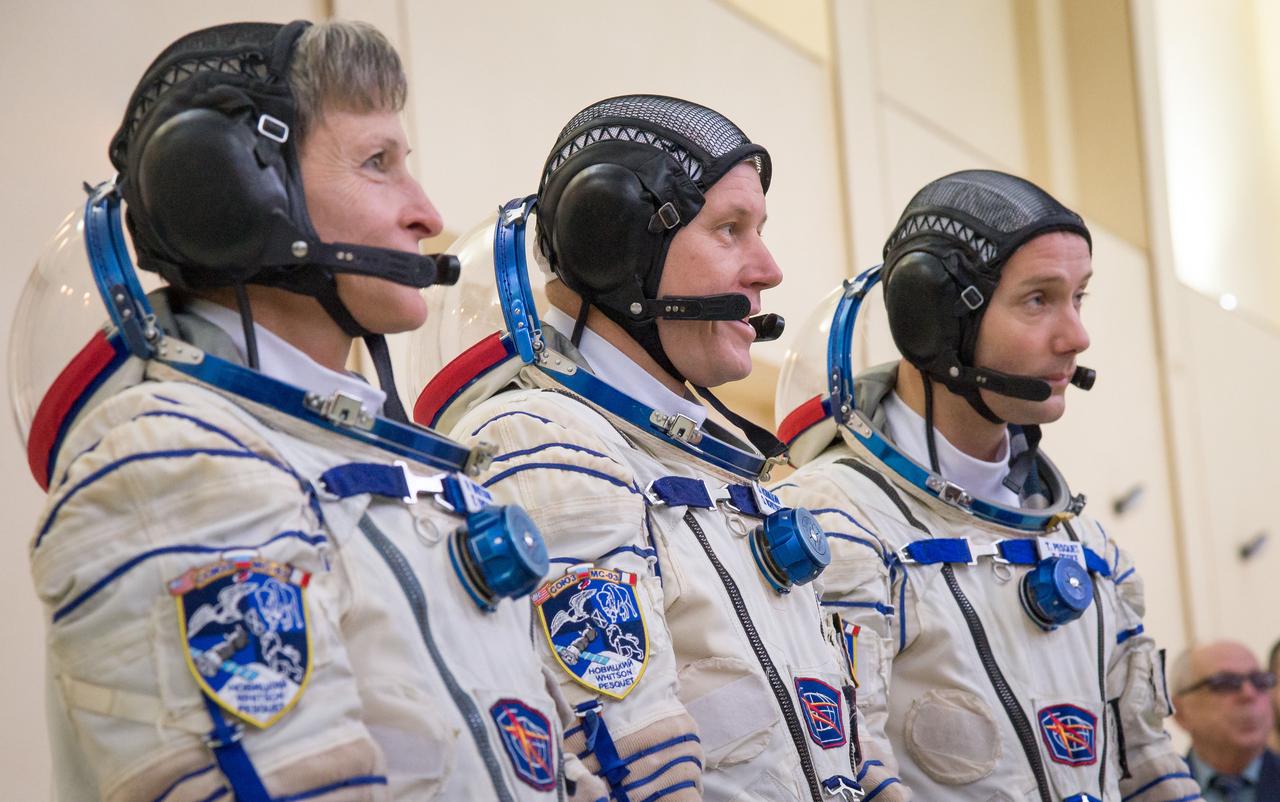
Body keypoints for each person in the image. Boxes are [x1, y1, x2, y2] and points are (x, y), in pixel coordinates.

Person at [20, 20, 575, 801]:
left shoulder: (397, 471)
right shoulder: (168, 464)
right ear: (234, 193)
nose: (425, 212)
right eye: (377, 163)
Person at [415, 95, 862, 800]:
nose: (768, 270)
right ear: (617, 247)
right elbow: (632, 770)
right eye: (730, 230)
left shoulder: (708, 466)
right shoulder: (546, 442)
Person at [772, 170, 1200, 801]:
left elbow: (1149, 763)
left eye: (1078, 297)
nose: (1075, 336)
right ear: (932, 321)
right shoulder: (835, 520)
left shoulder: (1090, 547)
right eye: (1038, 300)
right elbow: (847, 773)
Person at [1170, 641, 1280, 800]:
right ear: (1180, 712)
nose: (1249, 694)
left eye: (1259, 681)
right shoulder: (1153, 792)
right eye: (1225, 683)